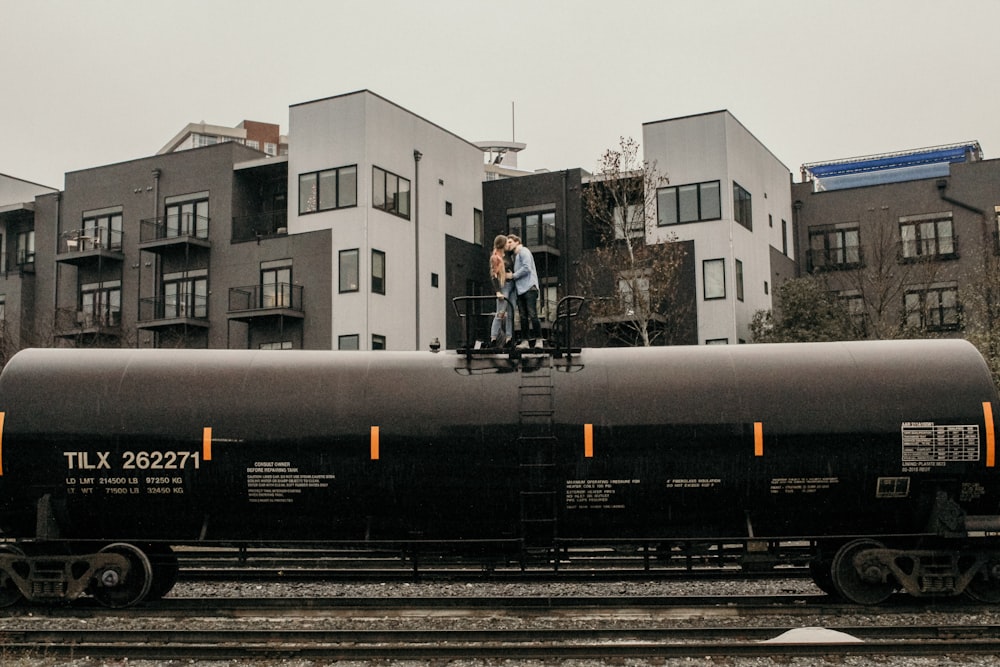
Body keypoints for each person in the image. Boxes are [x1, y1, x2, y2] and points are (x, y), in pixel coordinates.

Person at [506, 234, 542, 348]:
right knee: (523, 316)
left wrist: (513, 275)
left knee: (532, 314)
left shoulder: (524, 251)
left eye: (510, 242)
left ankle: (539, 340)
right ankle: (525, 341)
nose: (508, 244)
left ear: (517, 242)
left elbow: (527, 268)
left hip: (529, 288)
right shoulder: (516, 256)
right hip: (521, 290)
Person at [488, 234, 514, 348]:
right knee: (500, 313)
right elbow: (493, 275)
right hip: (504, 285)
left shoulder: (508, 254)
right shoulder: (495, 257)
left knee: (511, 313)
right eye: (506, 242)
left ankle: (509, 338)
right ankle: (493, 337)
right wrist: (498, 291)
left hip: (512, 284)